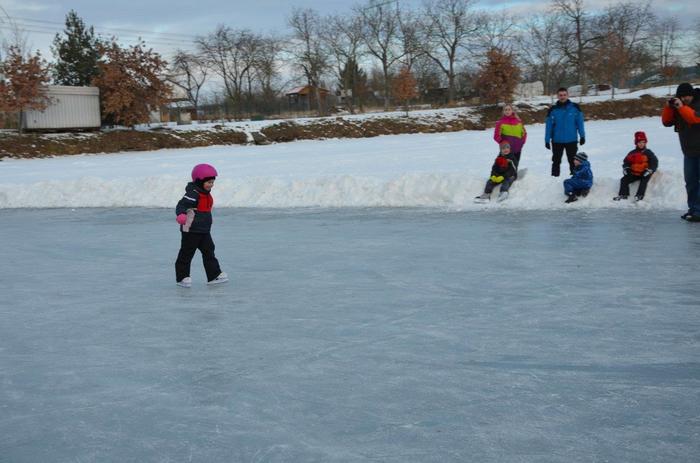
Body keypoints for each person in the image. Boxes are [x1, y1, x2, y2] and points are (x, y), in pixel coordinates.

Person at [174, 163, 228, 287]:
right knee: (187, 253)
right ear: (199, 181)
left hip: (203, 229)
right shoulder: (193, 193)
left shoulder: (205, 193)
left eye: (212, 182)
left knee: (209, 251)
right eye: (208, 182)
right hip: (191, 230)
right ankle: (182, 277)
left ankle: (214, 275)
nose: (211, 185)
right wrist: (181, 214)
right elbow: (181, 205)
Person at [662, 82, 700, 222]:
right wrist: (669, 107)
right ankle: (693, 209)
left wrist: (681, 107)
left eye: (687, 96)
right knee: (690, 182)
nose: (685, 99)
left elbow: (694, 118)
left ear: (692, 95)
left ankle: (698, 211)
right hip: (689, 152)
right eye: (682, 97)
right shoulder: (679, 107)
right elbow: (666, 122)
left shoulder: (697, 104)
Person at [545, 87, 586, 177]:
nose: (562, 97)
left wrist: (582, 136)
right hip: (557, 141)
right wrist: (547, 140)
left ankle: (575, 178)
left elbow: (580, 123)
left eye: (564, 95)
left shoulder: (575, 108)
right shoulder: (553, 110)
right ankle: (554, 179)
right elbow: (549, 126)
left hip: (571, 140)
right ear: (557, 96)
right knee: (556, 161)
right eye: (560, 95)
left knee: (573, 161)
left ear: (567, 95)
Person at [613, 131, 659, 201]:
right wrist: (626, 168)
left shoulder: (648, 152)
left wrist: (650, 170)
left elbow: (654, 162)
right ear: (636, 143)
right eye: (639, 142)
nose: (641, 144)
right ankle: (623, 195)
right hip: (635, 173)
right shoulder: (632, 153)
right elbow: (626, 162)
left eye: (643, 142)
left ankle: (639, 195)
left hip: (645, 173)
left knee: (644, 181)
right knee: (624, 180)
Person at [493, 103, 527, 170]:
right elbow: (496, 136)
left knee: (515, 165)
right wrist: (503, 143)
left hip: (518, 148)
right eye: (505, 110)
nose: (507, 111)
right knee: (504, 166)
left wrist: (522, 142)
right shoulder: (500, 122)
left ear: (512, 110)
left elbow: (524, 133)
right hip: (506, 149)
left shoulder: (518, 121)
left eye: (509, 109)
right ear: (503, 111)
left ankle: (514, 174)